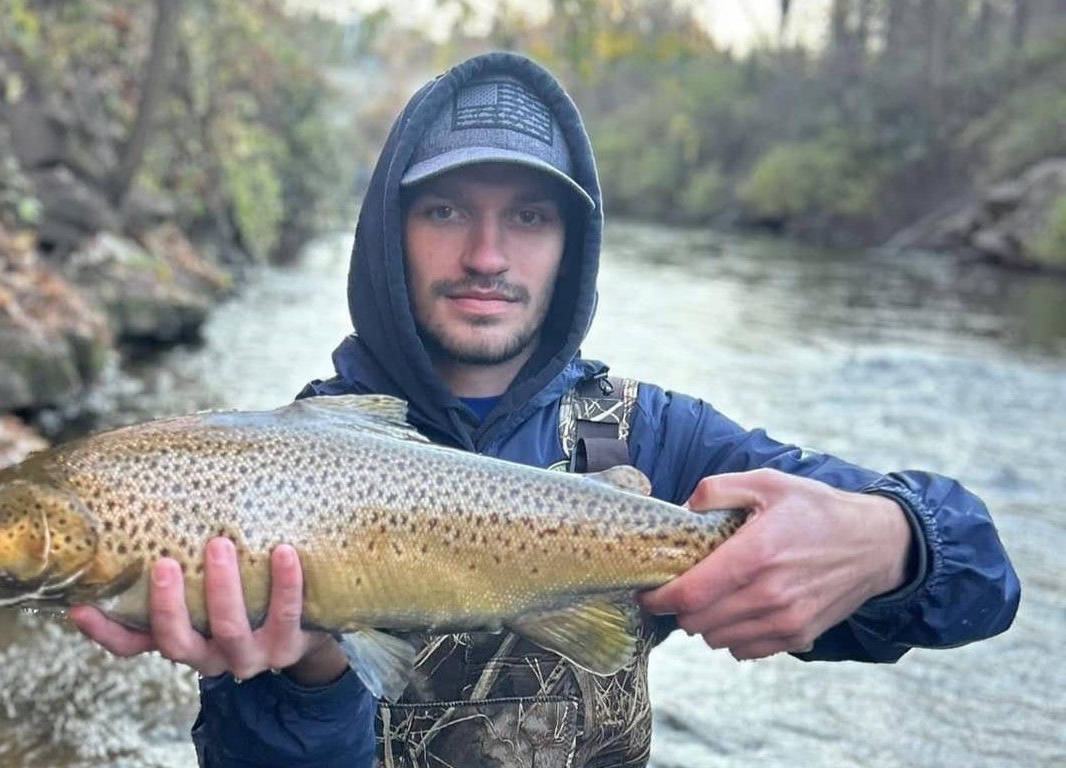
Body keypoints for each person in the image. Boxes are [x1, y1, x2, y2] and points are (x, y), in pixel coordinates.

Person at [70, 52, 1020, 767]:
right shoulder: (275, 467)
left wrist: (893, 542)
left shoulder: (661, 441)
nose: (487, 255)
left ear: (574, 246)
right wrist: (307, 674)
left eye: (529, 216)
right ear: (387, 234)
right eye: (445, 210)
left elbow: (985, 585)